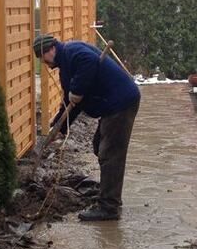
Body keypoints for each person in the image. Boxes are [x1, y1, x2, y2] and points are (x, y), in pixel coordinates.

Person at [33, 33, 141, 221]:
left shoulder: (72, 52)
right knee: (99, 145)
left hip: (121, 103)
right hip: (111, 106)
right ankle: (110, 191)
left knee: (109, 153)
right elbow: (71, 102)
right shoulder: (66, 64)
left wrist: (78, 89)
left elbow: (89, 62)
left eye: (42, 59)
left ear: (49, 50)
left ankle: (109, 207)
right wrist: (59, 127)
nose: (44, 64)